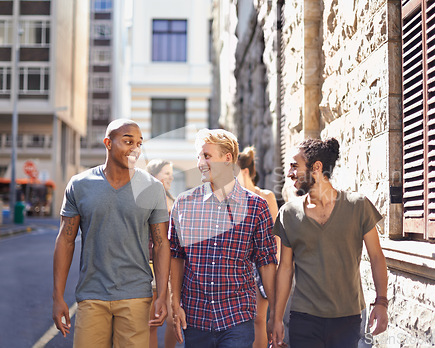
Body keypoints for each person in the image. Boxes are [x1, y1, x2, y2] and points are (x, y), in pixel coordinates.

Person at [52, 119, 171, 347]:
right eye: (128, 141)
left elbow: (161, 244)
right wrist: (57, 297)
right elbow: (66, 240)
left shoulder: (152, 187)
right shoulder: (80, 185)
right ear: (108, 143)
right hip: (91, 295)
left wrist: (162, 295)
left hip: (136, 295)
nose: (134, 148)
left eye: (139, 143)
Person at [271, 138, 388, 348]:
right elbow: (285, 269)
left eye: (294, 166)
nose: (289, 173)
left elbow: (377, 257)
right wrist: (277, 318)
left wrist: (381, 302)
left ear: (316, 167)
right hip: (304, 319)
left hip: (348, 318)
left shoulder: (358, 206)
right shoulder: (288, 213)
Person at [169, 129, 278, 348]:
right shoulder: (184, 204)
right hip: (196, 317)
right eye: (198, 156)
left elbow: (266, 262)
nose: (200, 163)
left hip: (237, 317)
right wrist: (174, 301)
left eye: (206, 156)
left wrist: (275, 313)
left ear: (228, 158)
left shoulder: (256, 207)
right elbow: (176, 255)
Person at [237, 146, 280, 348]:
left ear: (245, 172)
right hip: (240, 265)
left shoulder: (266, 197)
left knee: (258, 318)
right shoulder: (232, 199)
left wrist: (275, 266)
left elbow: (276, 235)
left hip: (261, 264)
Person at [145, 159, 178, 348]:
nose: (170, 177)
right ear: (153, 175)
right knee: (152, 322)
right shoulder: (145, 200)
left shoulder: (173, 199)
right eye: (166, 173)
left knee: (174, 321)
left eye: (170, 173)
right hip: (153, 265)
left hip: (173, 266)